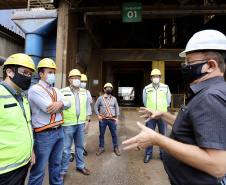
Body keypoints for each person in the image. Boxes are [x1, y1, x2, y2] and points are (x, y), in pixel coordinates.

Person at [122, 29, 226, 185]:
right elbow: (191, 126)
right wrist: (162, 114)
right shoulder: (209, 90)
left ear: (210, 65)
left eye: (189, 62)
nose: (184, 66)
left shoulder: (210, 98)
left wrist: (157, 139)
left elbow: (218, 166)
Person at [27, 58, 71, 185]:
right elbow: (49, 108)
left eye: (53, 72)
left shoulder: (56, 90)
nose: (53, 75)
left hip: (59, 132)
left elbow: (68, 103)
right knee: (39, 170)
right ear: (41, 74)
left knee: (56, 165)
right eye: (50, 72)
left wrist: (61, 103)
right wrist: (61, 104)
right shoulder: (35, 90)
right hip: (43, 134)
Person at [0, 53, 36, 185]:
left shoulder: (22, 98)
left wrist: (30, 152)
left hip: (23, 163)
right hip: (5, 171)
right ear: (9, 72)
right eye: (25, 72)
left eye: (31, 74)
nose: (28, 77)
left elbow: (25, 127)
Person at [60, 69, 92, 179]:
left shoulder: (85, 92)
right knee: (66, 149)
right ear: (69, 80)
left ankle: (80, 166)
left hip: (81, 124)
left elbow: (88, 107)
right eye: (74, 78)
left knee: (80, 147)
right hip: (68, 124)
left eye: (78, 78)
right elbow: (59, 107)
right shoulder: (63, 92)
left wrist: (87, 120)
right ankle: (63, 171)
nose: (77, 80)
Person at [142, 68, 171, 163]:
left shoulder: (165, 87)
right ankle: (148, 154)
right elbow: (145, 101)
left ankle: (163, 154)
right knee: (149, 135)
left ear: (160, 78)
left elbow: (168, 101)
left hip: (162, 115)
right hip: (150, 116)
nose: (155, 78)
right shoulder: (146, 88)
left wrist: (161, 111)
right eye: (154, 77)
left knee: (163, 135)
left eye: (157, 76)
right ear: (151, 78)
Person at [70, 74, 93, 162]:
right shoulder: (71, 91)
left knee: (85, 134)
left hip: (84, 118)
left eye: (84, 82)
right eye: (82, 81)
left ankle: (82, 148)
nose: (83, 83)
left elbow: (90, 102)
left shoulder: (86, 92)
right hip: (74, 118)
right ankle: (72, 151)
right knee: (72, 135)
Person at [94, 83, 120, 156]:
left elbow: (117, 108)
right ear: (104, 89)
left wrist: (117, 118)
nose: (109, 89)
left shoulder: (114, 99)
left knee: (114, 134)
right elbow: (96, 106)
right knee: (101, 134)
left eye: (110, 88)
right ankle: (101, 147)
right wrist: (98, 115)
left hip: (112, 119)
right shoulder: (100, 98)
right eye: (107, 88)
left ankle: (116, 148)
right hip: (103, 119)